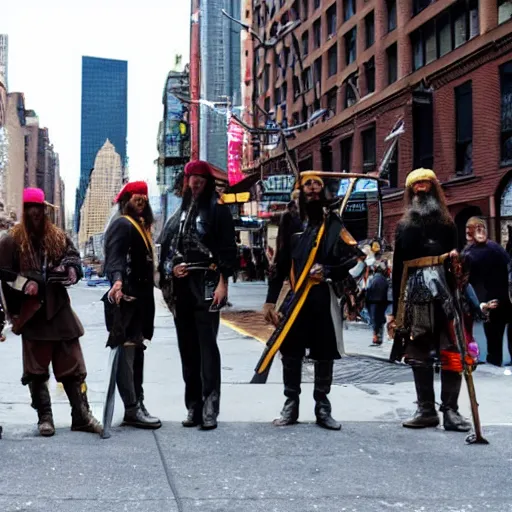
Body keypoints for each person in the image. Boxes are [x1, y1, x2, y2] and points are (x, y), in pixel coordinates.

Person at [0, 188, 101, 437]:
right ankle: (45, 417)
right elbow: (3, 274)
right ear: (25, 211)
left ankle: (81, 415)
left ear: (45, 210)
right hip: (31, 312)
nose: (36, 213)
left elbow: (73, 258)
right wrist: (25, 285)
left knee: (73, 366)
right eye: (31, 209)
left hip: (59, 309)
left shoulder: (57, 236)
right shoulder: (11, 240)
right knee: (36, 370)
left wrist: (71, 271)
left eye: (39, 209)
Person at [263, 172, 360, 431]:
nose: (314, 188)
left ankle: (323, 406)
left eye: (318, 184)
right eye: (309, 184)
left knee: (324, 352)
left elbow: (351, 259)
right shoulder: (289, 219)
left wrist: (327, 271)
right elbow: (281, 261)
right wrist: (270, 302)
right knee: (290, 351)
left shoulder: (332, 220)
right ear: (300, 188)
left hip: (321, 296)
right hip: (296, 297)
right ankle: (290, 403)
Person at [387, 169, 473, 432]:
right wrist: (394, 309)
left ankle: (451, 411)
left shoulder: (448, 225)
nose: (421, 189)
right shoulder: (403, 226)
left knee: (452, 349)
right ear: (410, 192)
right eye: (416, 186)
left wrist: (459, 270)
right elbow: (399, 268)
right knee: (419, 350)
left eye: (425, 184)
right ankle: (426, 409)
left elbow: (458, 262)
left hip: (446, 294)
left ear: (434, 188)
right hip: (415, 294)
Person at [159, 160, 237, 430]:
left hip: (207, 284)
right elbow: (165, 253)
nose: (195, 182)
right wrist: (172, 267)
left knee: (207, 348)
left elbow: (228, 251)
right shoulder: (175, 217)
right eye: (191, 177)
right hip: (182, 290)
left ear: (207, 182)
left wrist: (223, 283)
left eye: (200, 178)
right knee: (187, 349)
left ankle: (210, 407)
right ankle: (193, 406)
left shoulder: (219, 212)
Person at [103, 181, 162, 429]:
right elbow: (114, 259)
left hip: (140, 301)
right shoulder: (122, 224)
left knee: (136, 353)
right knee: (127, 355)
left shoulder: (139, 227)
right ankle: (132, 407)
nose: (142, 201)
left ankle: (138, 402)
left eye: (145, 199)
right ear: (125, 198)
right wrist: (117, 282)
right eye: (137, 197)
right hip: (126, 301)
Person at [463, 217, 512, 366]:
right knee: (498, 333)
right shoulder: (496, 248)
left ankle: (492, 359)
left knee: (492, 336)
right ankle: (495, 358)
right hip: (502, 298)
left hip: (488, 300)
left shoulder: (469, 253)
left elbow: (466, 279)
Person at [365, 260, 390, 346]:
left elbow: (368, 290)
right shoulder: (385, 280)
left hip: (373, 302)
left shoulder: (372, 279)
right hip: (382, 302)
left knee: (374, 320)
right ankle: (379, 337)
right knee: (380, 320)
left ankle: (375, 337)